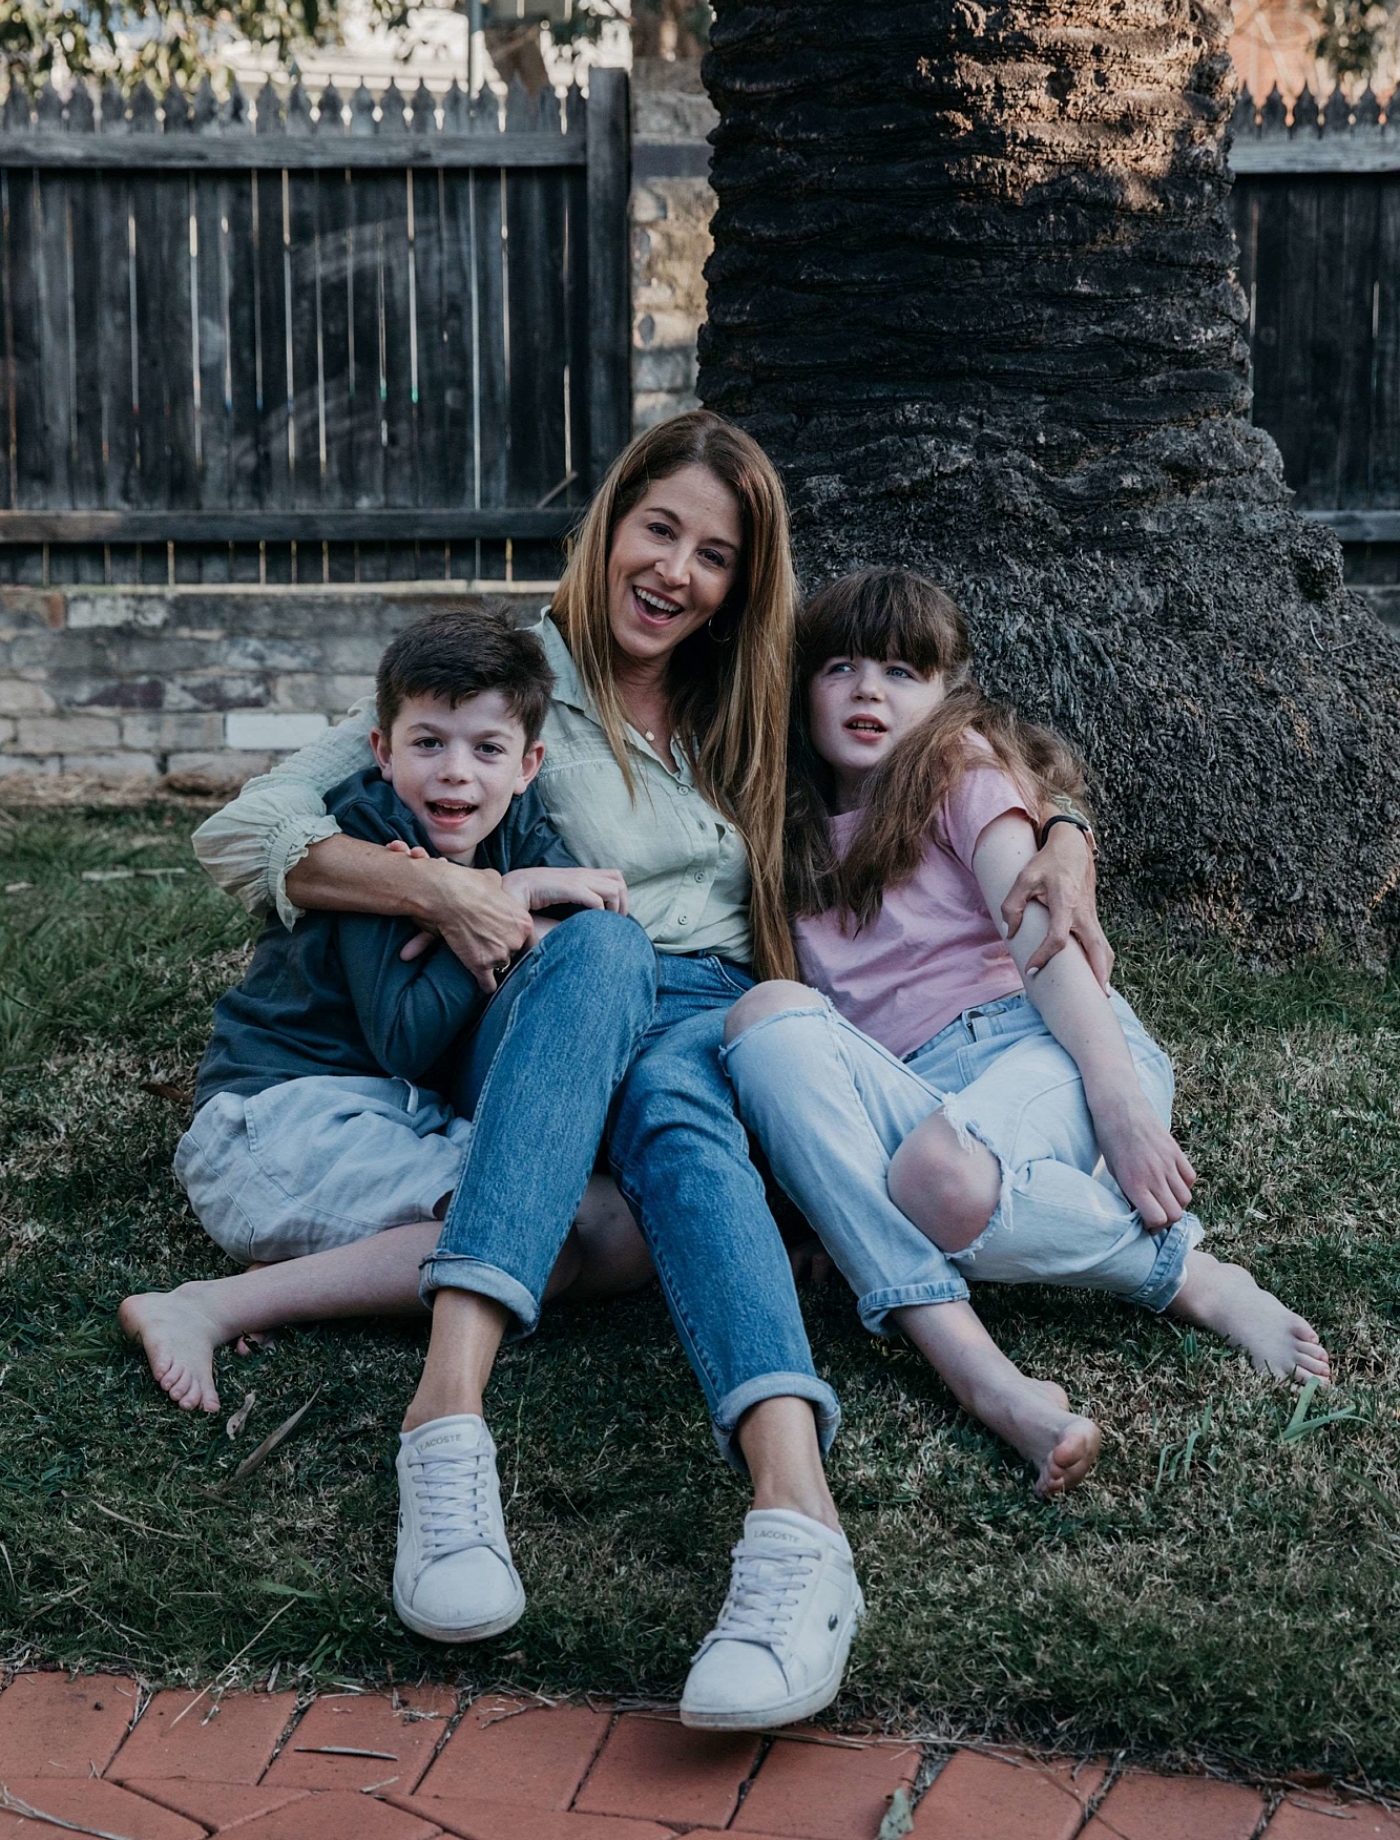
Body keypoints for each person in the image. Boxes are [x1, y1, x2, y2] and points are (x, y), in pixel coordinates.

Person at [183, 413, 1105, 1726]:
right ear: (612, 521)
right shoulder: (516, 673)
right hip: (550, 999)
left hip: (714, 1013)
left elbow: (955, 731)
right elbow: (248, 828)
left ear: (744, 577)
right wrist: (451, 888)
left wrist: (1060, 827)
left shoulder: (756, 692)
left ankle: (798, 1533)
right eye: (658, 528)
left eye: (714, 552)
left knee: (686, 1092)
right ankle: (446, 1431)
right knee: (607, 949)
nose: (675, 570)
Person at [721, 568, 1330, 1496]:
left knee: (934, 1175)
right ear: (800, 688)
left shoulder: (957, 771)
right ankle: (1043, 1249)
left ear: (943, 693)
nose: (867, 692)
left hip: (1035, 1043)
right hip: (914, 1092)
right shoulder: (785, 830)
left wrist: (1118, 1100)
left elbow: (1044, 939)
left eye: (899, 671)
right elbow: (810, 1069)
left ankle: (1188, 1276)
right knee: (763, 1015)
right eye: (839, 666)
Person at [121, 605, 654, 1429]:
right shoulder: (375, 830)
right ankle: (212, 1304)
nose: (455, 775)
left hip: (402, 1120)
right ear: (382, 749)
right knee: (526, 1249)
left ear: (528, 763)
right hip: (281, 1118)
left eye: (487, 749)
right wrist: (500, 902)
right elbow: (405, 1036)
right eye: (428, 742)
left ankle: (343, 1255)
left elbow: (579, 928)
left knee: (620, 1229)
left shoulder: (518, 828)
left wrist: (519, 900)